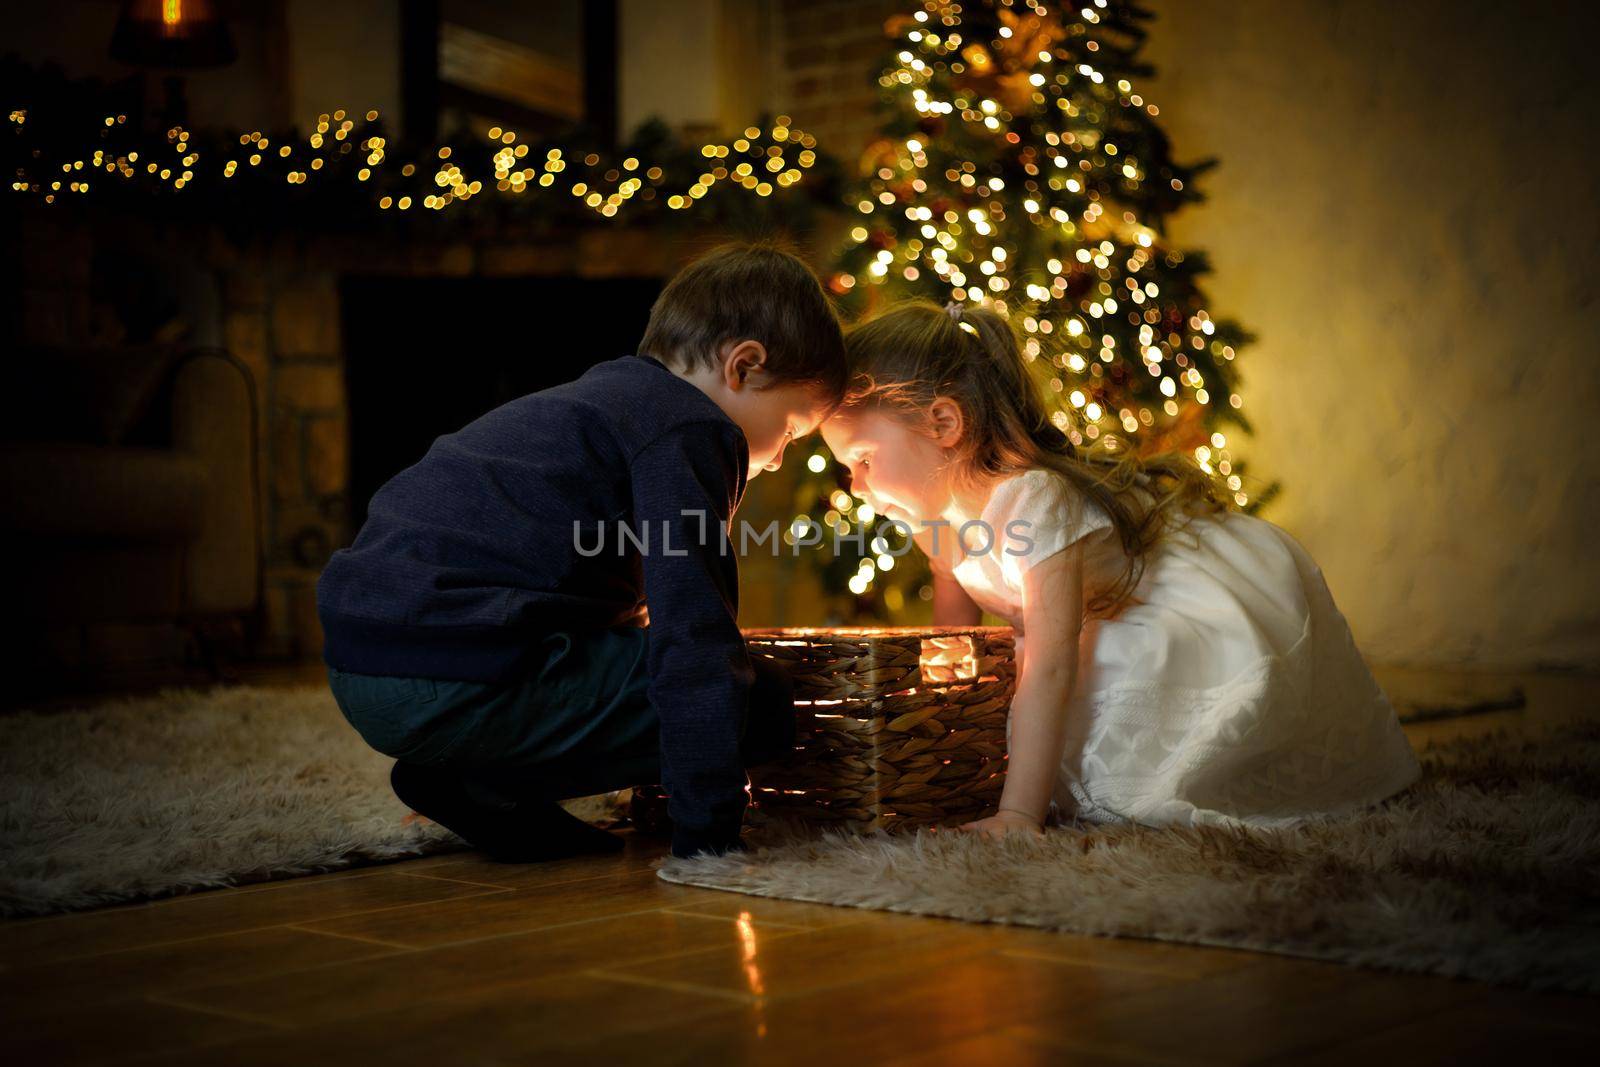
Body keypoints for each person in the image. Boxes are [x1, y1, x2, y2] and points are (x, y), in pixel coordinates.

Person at [316, 243, 846, 862]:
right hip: (453, 672)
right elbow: (694, 634)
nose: (779, 457)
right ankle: (479, 777)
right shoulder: (692, 428)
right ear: (744, 367)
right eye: (789, 429)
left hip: (363, 661)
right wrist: (710, 831)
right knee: (764, 699)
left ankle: (472, 785)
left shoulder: (604, 401)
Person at [821, 300, 1419, 838]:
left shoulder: (1033, 500)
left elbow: (1053, 661)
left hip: (1157, 607)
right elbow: (952, 648)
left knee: (1118, 745)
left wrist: (1018, 814)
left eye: (864, 459)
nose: (857, 484)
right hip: (1078, 626)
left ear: (943, 424)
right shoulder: (934, 519)